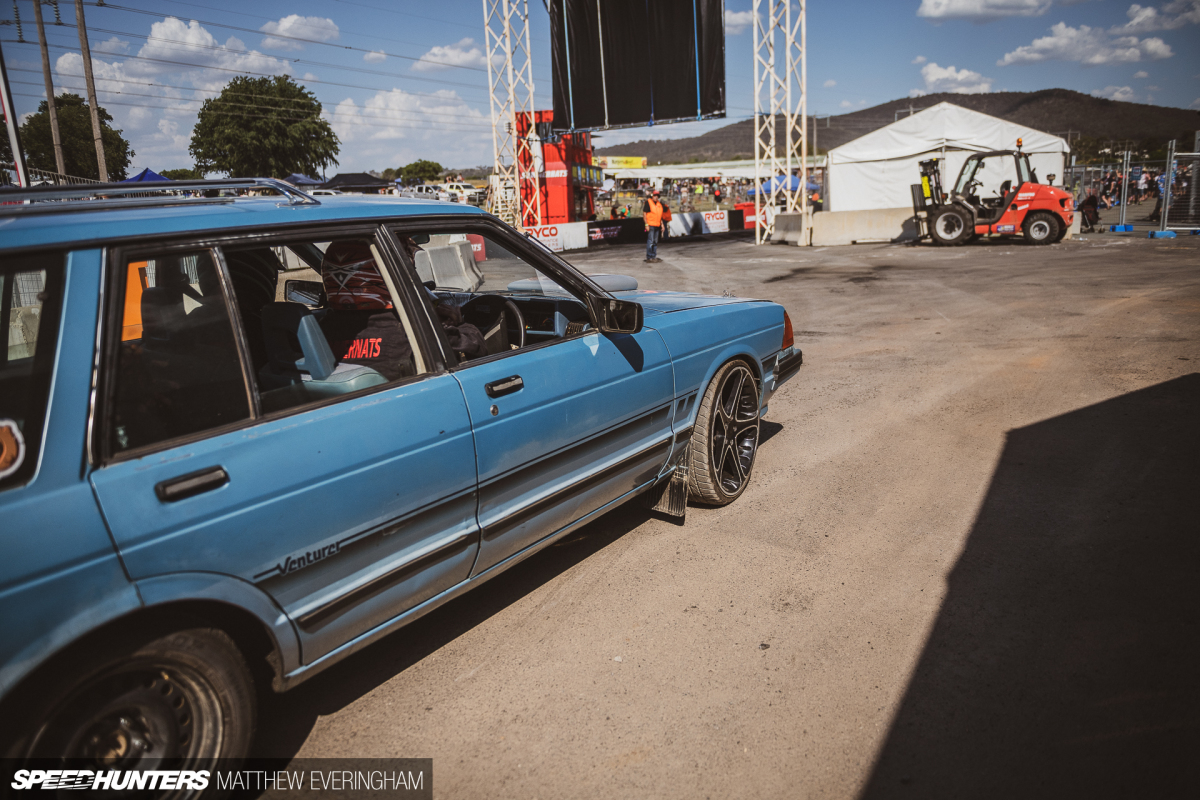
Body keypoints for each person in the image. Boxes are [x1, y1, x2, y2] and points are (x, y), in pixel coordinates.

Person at [643, 190, 664, 263]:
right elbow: (644, 214)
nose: (656, 197)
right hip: (651, 225)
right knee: (651, 241)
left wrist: (662, 224)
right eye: (655, 195)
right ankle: (649, 257)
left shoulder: (659, 204)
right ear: (652, 196)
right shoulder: (648, 202)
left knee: (655, 242)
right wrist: (646, 224)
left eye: (657, 196)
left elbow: (660, 216)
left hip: (657, 225)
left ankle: (653, 256)